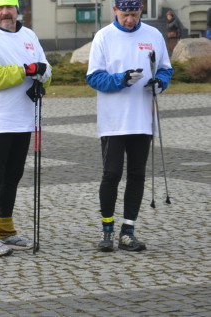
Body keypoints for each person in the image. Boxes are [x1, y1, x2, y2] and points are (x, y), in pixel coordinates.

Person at [87, 0, 173, 252]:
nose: (130, 20)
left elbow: (166, 68)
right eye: (125, 15)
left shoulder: (153, 34)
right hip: (114, 120)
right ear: (115, 11)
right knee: (112, 174)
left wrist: (160, 83)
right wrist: (121, 80)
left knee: (137, 174)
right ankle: (106, 229)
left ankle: (128, 230)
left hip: (142, 117)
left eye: (134, 15)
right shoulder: (104, 36)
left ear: (140, 12)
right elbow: (93, 77)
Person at [0, 0, 50, 256]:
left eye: (10, 8)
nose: (5, 13)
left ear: (18, 10)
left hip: (24, 118)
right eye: (0, 9)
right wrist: (27, 70)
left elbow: (47, 69)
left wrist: (41, 76)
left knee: (14, 175)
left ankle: (6, 229)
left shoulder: (29, 36)